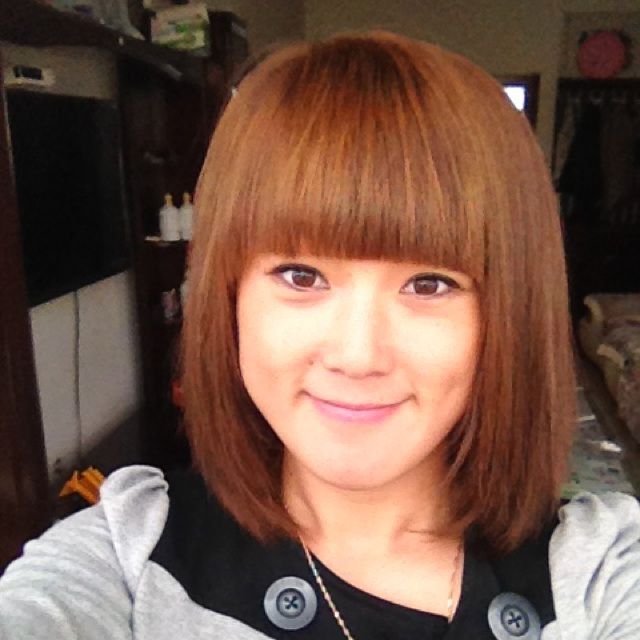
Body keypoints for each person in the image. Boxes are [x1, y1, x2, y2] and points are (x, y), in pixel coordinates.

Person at [1, 30, 639, 640]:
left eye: (429, 284)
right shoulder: (126, 559)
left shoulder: (599, 573)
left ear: (508, 314)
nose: (357, 356)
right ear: (230, 299)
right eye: (300, 276)